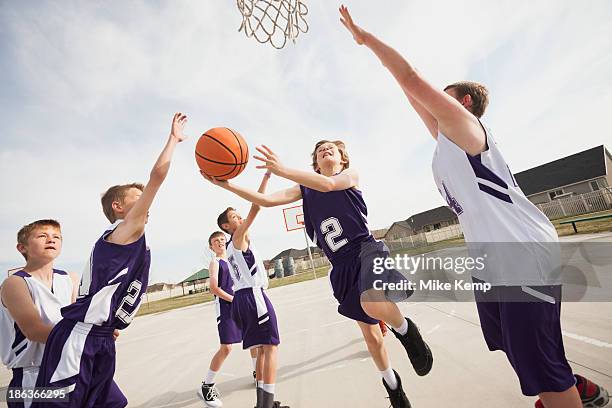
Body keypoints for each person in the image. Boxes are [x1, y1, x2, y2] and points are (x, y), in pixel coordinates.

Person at [337, 5, 609, 408]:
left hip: (522, 252)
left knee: (540, 367)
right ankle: (573, 387)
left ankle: (565, 394)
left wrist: (368, 40)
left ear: (463, 102)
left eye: (441, 98)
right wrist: (392, 75)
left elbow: (412, 78)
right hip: (493, 260)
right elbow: (410, 92)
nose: (429, 104)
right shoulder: (447, 144)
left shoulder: (468, 128)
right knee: (515, 347)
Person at [206, 141, 433, 408]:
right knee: (371, 337)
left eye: (331, 149)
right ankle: (393, 386)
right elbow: (266, 201)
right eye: (320, 150)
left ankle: (407, 331)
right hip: (340, 267)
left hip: (365, 251)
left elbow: (328, 186)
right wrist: (225, 185)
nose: (325, 150)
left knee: (371, 301)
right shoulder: (305, 188)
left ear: (342, 159)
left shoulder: (349, 176)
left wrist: (282, 169)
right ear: (315, 162)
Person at [32, 113, 187, 407]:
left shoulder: (126, 241)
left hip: (100, 336)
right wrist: (173, 140)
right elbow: (157, 177)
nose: (145, 203)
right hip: (80, 339)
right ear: (118, 207)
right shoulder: (123, 232)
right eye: (137, 199)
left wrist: (111, 320)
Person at [207, 171, 289, 408]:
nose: (240, 217)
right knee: (271, 348)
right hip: (253, 296)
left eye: (239, 215)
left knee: (262, 351)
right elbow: (257, 206)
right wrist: (266, 180)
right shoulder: (238, 237)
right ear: (226, 226)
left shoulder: (231, 248)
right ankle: (266, 404)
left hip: (243, 299)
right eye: (235, 216)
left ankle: (263, 403)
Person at [199, 230, 259, 407]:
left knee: (253, 340)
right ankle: (207, 384)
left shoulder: (234, 260)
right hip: (226, 307)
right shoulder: (215, 263)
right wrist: (234, 299)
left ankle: (257, 373)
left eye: (222, 239)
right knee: (226, 347)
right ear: (211, 246)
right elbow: (214, 288)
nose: (219, 242)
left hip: (241, 304)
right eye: (215, 241)